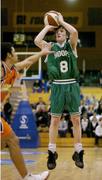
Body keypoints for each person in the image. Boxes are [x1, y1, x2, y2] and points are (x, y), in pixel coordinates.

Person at [34, 11, 84, 170]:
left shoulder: (72, 45)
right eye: (57, 33)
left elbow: (74, 32)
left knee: (75, 120)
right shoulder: (50, 47)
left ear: (66, 35)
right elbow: (37, 40)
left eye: (62, 32)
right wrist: (48, 26)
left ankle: (78, 151)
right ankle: (51, 151)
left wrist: (61, 22)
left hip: (72, 85)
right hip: (56, 86)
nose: (59, 33)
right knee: (55, 120)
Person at [0, 42, 53, 180]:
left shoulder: (12, 69)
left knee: (8, 142)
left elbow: (28, 61)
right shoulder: (1, 68)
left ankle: (27, 177)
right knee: (12, 140)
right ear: (8, 55)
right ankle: (27, 177)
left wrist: (42, 53)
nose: (17, 54)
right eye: (14, 51)